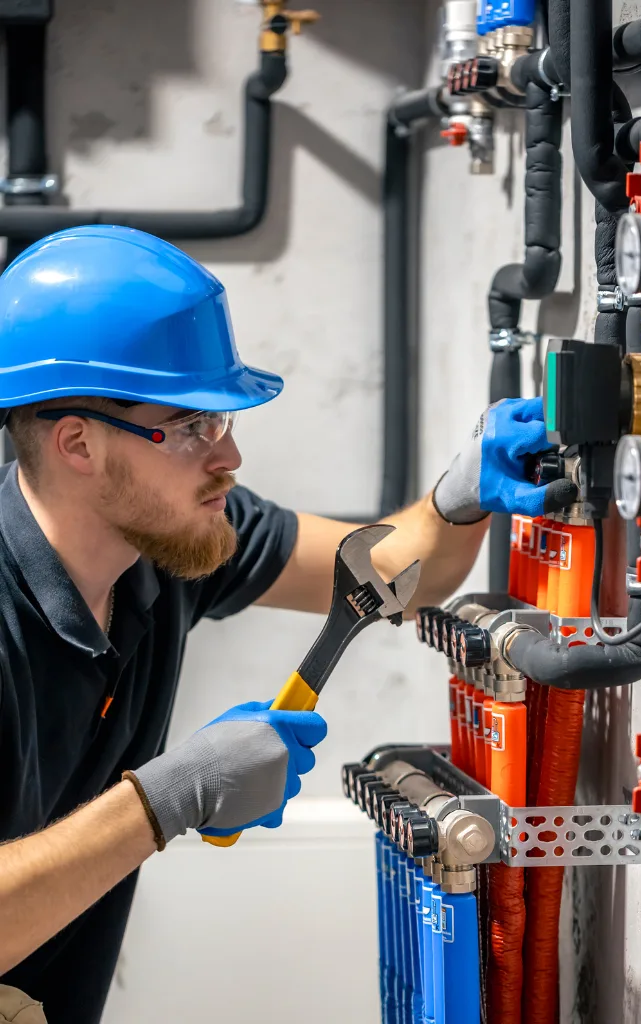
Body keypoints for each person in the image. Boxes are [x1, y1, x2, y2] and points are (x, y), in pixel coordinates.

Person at [0, 226, 574, 1024]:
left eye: (225, 421)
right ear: (78, 444)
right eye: (192, 423)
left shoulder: (173, 541)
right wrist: (168, 798)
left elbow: (392, 571)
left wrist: (457, 500)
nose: (227, 456)